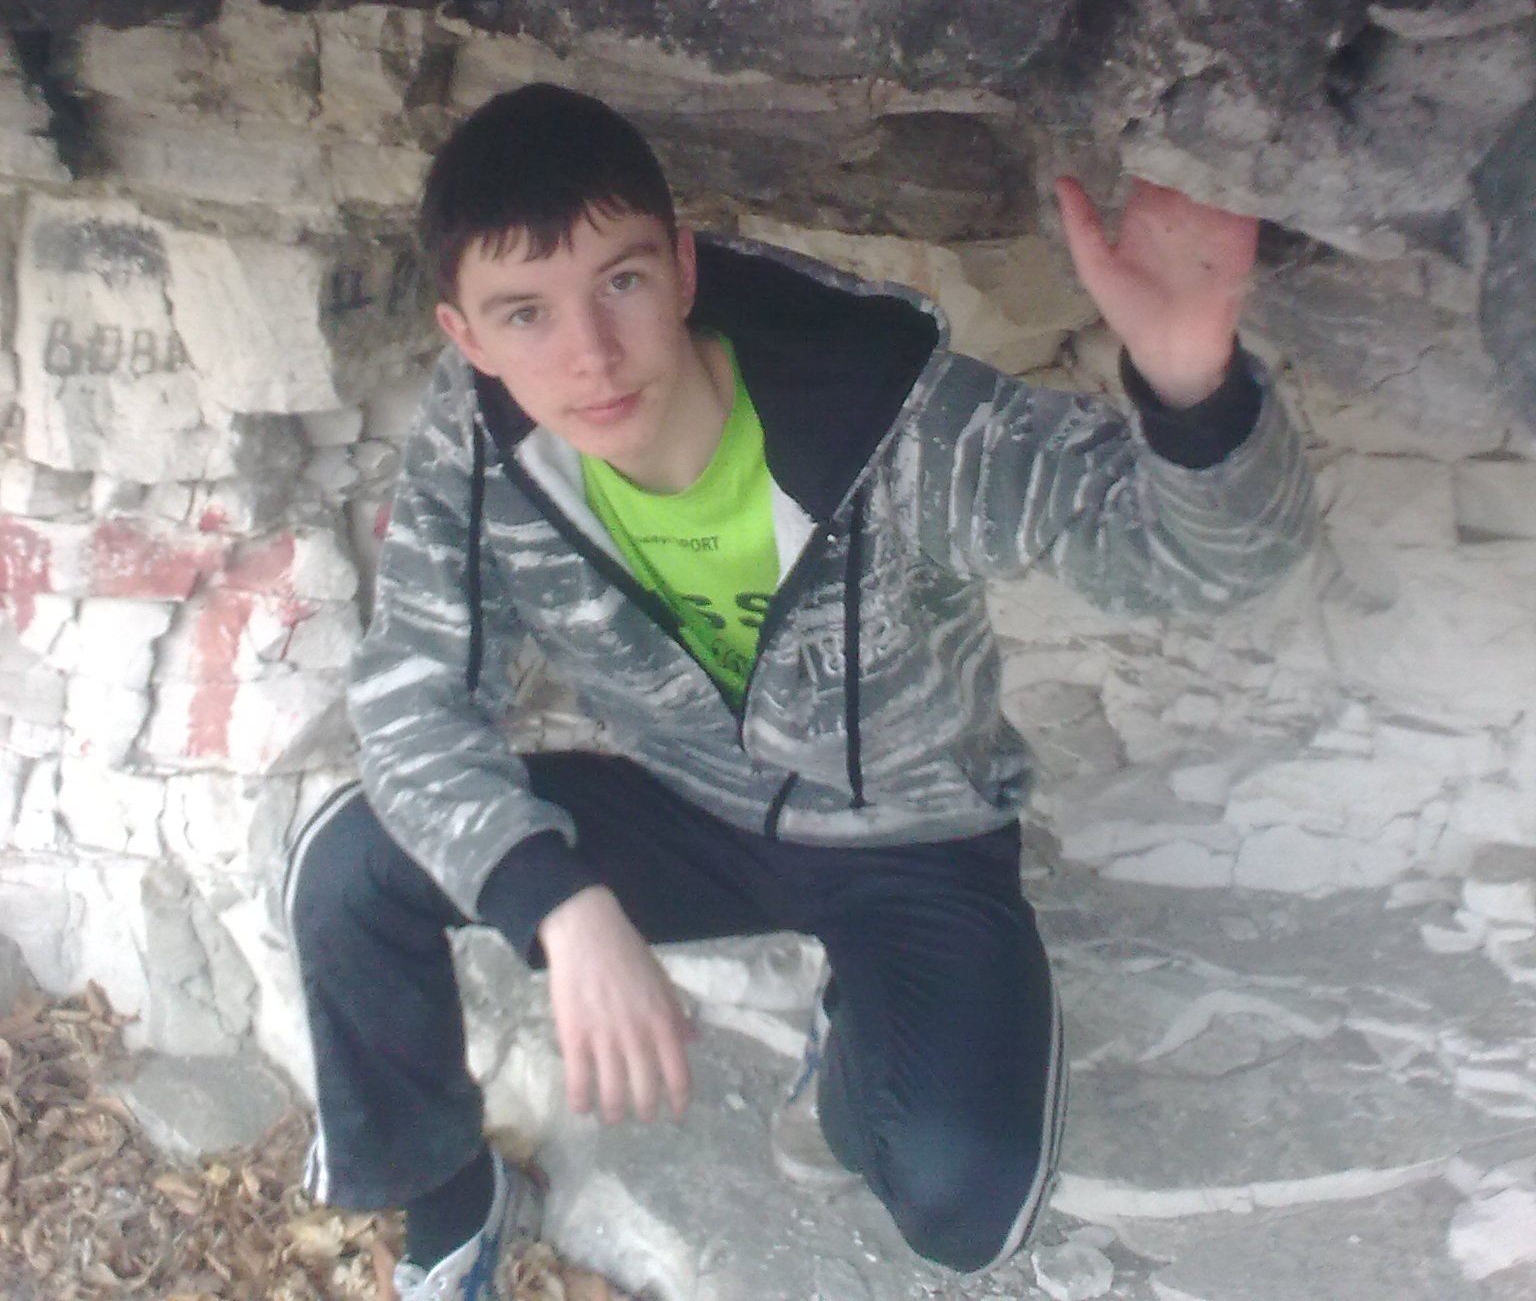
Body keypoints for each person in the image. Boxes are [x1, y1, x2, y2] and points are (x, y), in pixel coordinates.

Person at [286, 83, 1316, 1299]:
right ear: (467, 336)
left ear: (682, 268)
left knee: (965, 1202)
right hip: (688, 801)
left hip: (910, 836)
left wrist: (1192, 385)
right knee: (350, 861)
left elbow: (1202, 556)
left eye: (621, 281)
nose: (589, 355)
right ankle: (454, 1202)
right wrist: (555, 898)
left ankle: (851, 1041)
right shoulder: (482, 432)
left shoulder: (888, 418)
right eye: (526, 312)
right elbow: (413, 694)